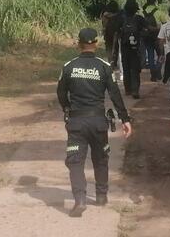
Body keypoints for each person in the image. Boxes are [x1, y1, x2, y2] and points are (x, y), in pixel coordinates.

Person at [57, 28, 133, 217]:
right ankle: (101, 196)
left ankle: (80, 199)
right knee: (100, 159)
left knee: (75, 162)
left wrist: (67, 108)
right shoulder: (104, 67)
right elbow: (115, 95)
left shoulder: (69, 66)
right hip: (99, 121)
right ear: (96, 43)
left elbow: (60, 93)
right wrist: (125, 119)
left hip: (76, 121)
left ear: (78, 43)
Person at [111, 0, 145, 99]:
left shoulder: (121, 19)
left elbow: (116, 33)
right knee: (135, 68)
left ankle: (128, 89)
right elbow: (146, 29)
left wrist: (114, 48)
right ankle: (135, 90)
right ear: (136, 9)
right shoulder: (139, 19)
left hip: (125, 47)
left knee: (126, 67)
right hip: (136, 47)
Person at [142, 0, 162, 82]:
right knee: (161, 54)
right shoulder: (159, 12)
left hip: (147, 37)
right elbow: (164, 24)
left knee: (150, 55)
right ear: (154, 1)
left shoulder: (142, 13)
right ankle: (158, 71)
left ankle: (152, 74)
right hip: (157, 37)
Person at [100, 0, 120, 64]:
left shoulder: (104, 14)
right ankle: (114, 61)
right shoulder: (118, 15)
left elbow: (103, 24)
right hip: (116, 32)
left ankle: (110, 61)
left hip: (107, 32)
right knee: (116, 47)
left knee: (108, 47)